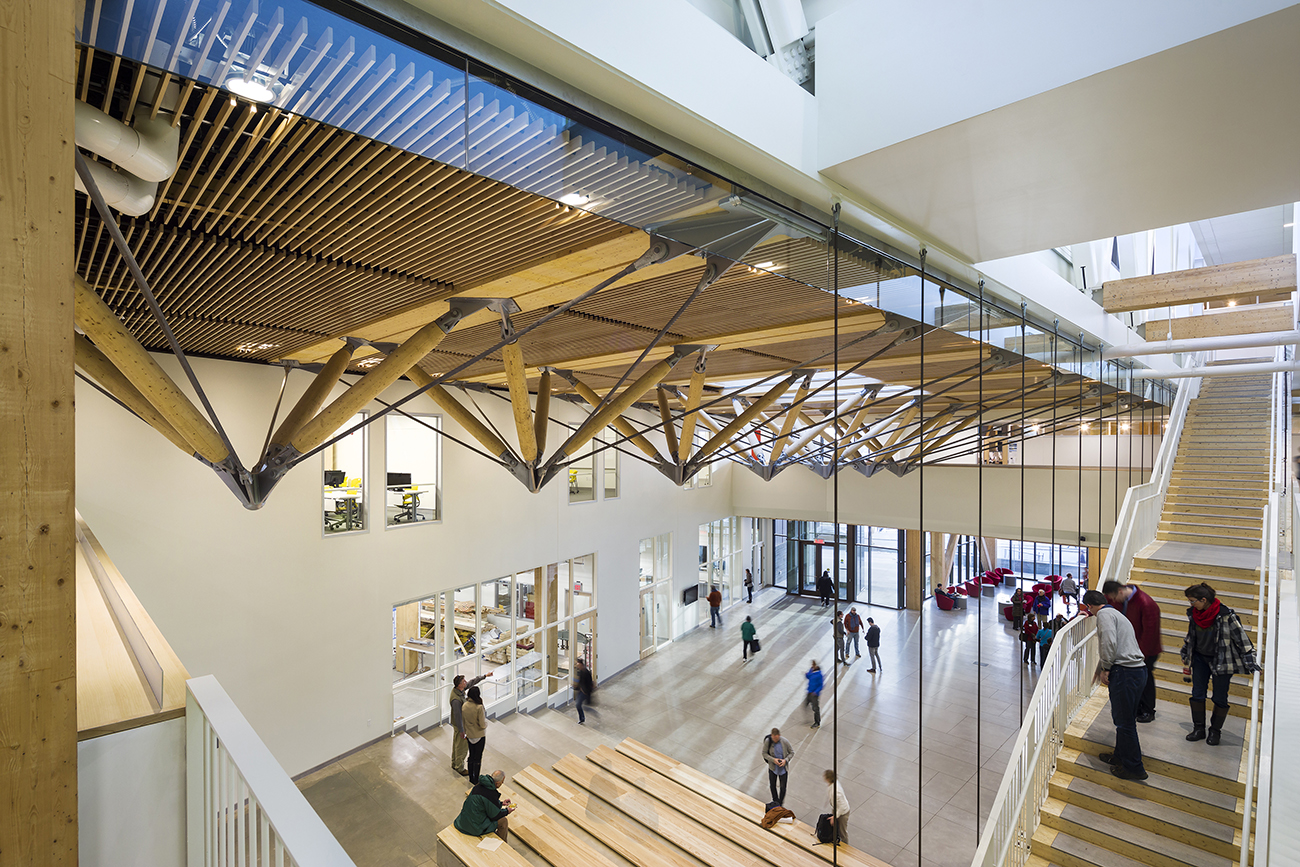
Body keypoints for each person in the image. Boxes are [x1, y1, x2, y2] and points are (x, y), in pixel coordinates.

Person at [1180, 582, 1258, 745]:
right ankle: (1199, 729)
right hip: (1200, 659)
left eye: (1193, 601)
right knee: (1197, 694)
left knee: (1220, 698)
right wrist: (1186, 651)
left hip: (1222, 661)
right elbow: (1191, 636)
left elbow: (1242, 640)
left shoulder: (1226, 615)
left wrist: (1251, 661)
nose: (1191, 604)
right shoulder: (1194, 614)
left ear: (1204, 599)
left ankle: (1215, 732)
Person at [1082, 590, 1148, 781]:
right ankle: (1120, 756)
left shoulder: (1103, 615)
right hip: (1136, 671)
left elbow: (1109, 642)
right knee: (1124, 720)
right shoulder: (1116, 613)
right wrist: (1099, 668)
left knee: (1124, 722)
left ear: (1090, 606)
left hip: (1125, 673)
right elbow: (1117, 643)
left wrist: (1106, 667)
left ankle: (1134, 767)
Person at [1103, 579, 1163, 724]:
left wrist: (1139, 655)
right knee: (1136, 681)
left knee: (1146, 680)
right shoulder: (1121, 598)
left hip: (1146, 650)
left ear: (1120, 591)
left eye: (1113, 598)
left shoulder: (1146, 603)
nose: (1113, 602)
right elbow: (1104, 604)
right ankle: (1138, 708)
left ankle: (1149, 710)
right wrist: (1087, 610)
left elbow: (1150, 633)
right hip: (1131, 648)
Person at [453, 770, 514, 842]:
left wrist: (500, 803)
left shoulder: (479, 786)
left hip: (462, 822)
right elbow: (495, 815)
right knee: (503, 821)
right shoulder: (491, 793)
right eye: (502, 782)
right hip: (474, 827)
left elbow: (486, 803)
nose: (502, 784)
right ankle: (503, 844)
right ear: (497, 783)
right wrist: (507, 811)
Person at [449, 672, 488, 776]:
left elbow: (471, 683)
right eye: (464, 682)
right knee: (461, 747)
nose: (466, 682)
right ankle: (459, 767)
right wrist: (462, 731)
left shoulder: (459, 691)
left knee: (456, 744)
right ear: (459, 685)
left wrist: (484, 676)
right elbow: (458, 716)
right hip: (460, 726)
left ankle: (455, 763)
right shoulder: (456, 699)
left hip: (461, 725)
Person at [462, 685, 489, 784]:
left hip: (469, 735)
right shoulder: (479, 707)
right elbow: (482, 724)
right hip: (479, 735)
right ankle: (476, 779)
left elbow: (464, 722)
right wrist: (486, 725)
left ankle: (471, 778)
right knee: (478, 758)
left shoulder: (464, 705)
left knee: (471, 756)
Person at [761, 728, 794, 805]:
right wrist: (773, 760)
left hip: (783, 769)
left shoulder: (784, 742)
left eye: (776, 738)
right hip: (773, 768)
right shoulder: (768, 741)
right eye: (773, 738)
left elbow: (791, 752)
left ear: (779, 735)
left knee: (783, 788)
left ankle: (780, 803)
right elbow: (764, 753)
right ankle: (775, 801)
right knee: (772, 785)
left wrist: (785, 760)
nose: (774, 740)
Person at [823, 769, 850, 845]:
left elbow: (841, 807)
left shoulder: (836, 792)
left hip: (843, 812)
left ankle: (845, 845)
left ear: (828, 778)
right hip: (836, 808)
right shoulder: (833, 784)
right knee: (835, 827)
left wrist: (834, 817)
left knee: (842, 831)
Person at [574, 658, 595, 724]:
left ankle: (582, 718)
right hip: (581, 691)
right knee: (578, 704)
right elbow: (580, 682)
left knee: (579, 704)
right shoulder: (580, 672)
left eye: (578, 665)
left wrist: (585, 692)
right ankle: (582, 718)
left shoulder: (586, 673)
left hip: (584, 692)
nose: (577, 666)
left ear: (581, 665)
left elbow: (590, 683)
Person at [805, 660, 823, 728]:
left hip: (814, 694)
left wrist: (816, 692)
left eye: (813, 665)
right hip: (809, 692)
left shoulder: (819, 675)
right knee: (806, 704)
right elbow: (808, 677)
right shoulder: (811, 671)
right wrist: (807, 674)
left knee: (815, 708)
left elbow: (821, 685)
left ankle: (817, 722)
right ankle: (809, 717)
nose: (812, 666)